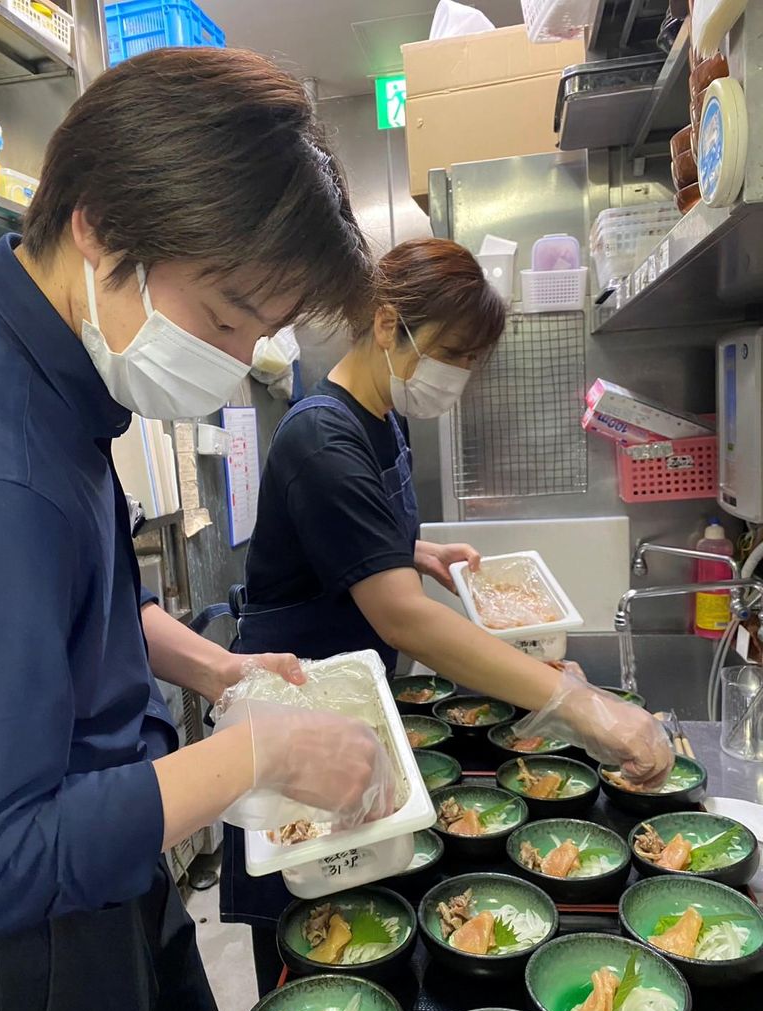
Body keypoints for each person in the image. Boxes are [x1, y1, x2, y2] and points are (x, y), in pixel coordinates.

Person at [0, 48, 397, 1011]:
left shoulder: (53, 368)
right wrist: (256, 753)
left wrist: (218, 668)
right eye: (223, 318)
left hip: (123, 870)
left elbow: (87, 598)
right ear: (100, 226)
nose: (236, 360)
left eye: (264, 332)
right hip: (38, 950)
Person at [223, 237, 674, 973]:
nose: (458, 374)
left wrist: (411, 551)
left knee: (366, 925)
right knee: (309, 946)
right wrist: (579, 704)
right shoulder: (320, 436)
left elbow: (355, 542)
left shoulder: (383, 418)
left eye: (471, 359)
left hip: (350, 702)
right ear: (386, 323)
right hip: (295, 708)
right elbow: (404, 617)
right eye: (452, 352)